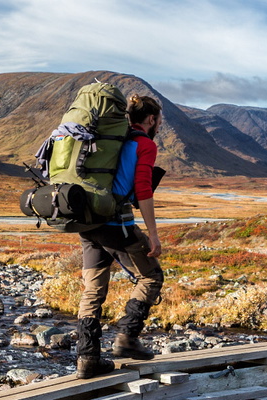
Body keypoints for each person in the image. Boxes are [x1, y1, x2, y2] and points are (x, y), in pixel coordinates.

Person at [74, 94, 165, 379]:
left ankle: (87, 359)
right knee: (151, 276)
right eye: (159, 120)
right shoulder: (144, 144)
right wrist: (153, 234)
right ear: (151, 120)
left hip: (88, 223)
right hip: (116, 225)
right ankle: (127, 338)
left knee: (93, 290)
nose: (159, 124)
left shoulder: (111, 140)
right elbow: (143, 190)